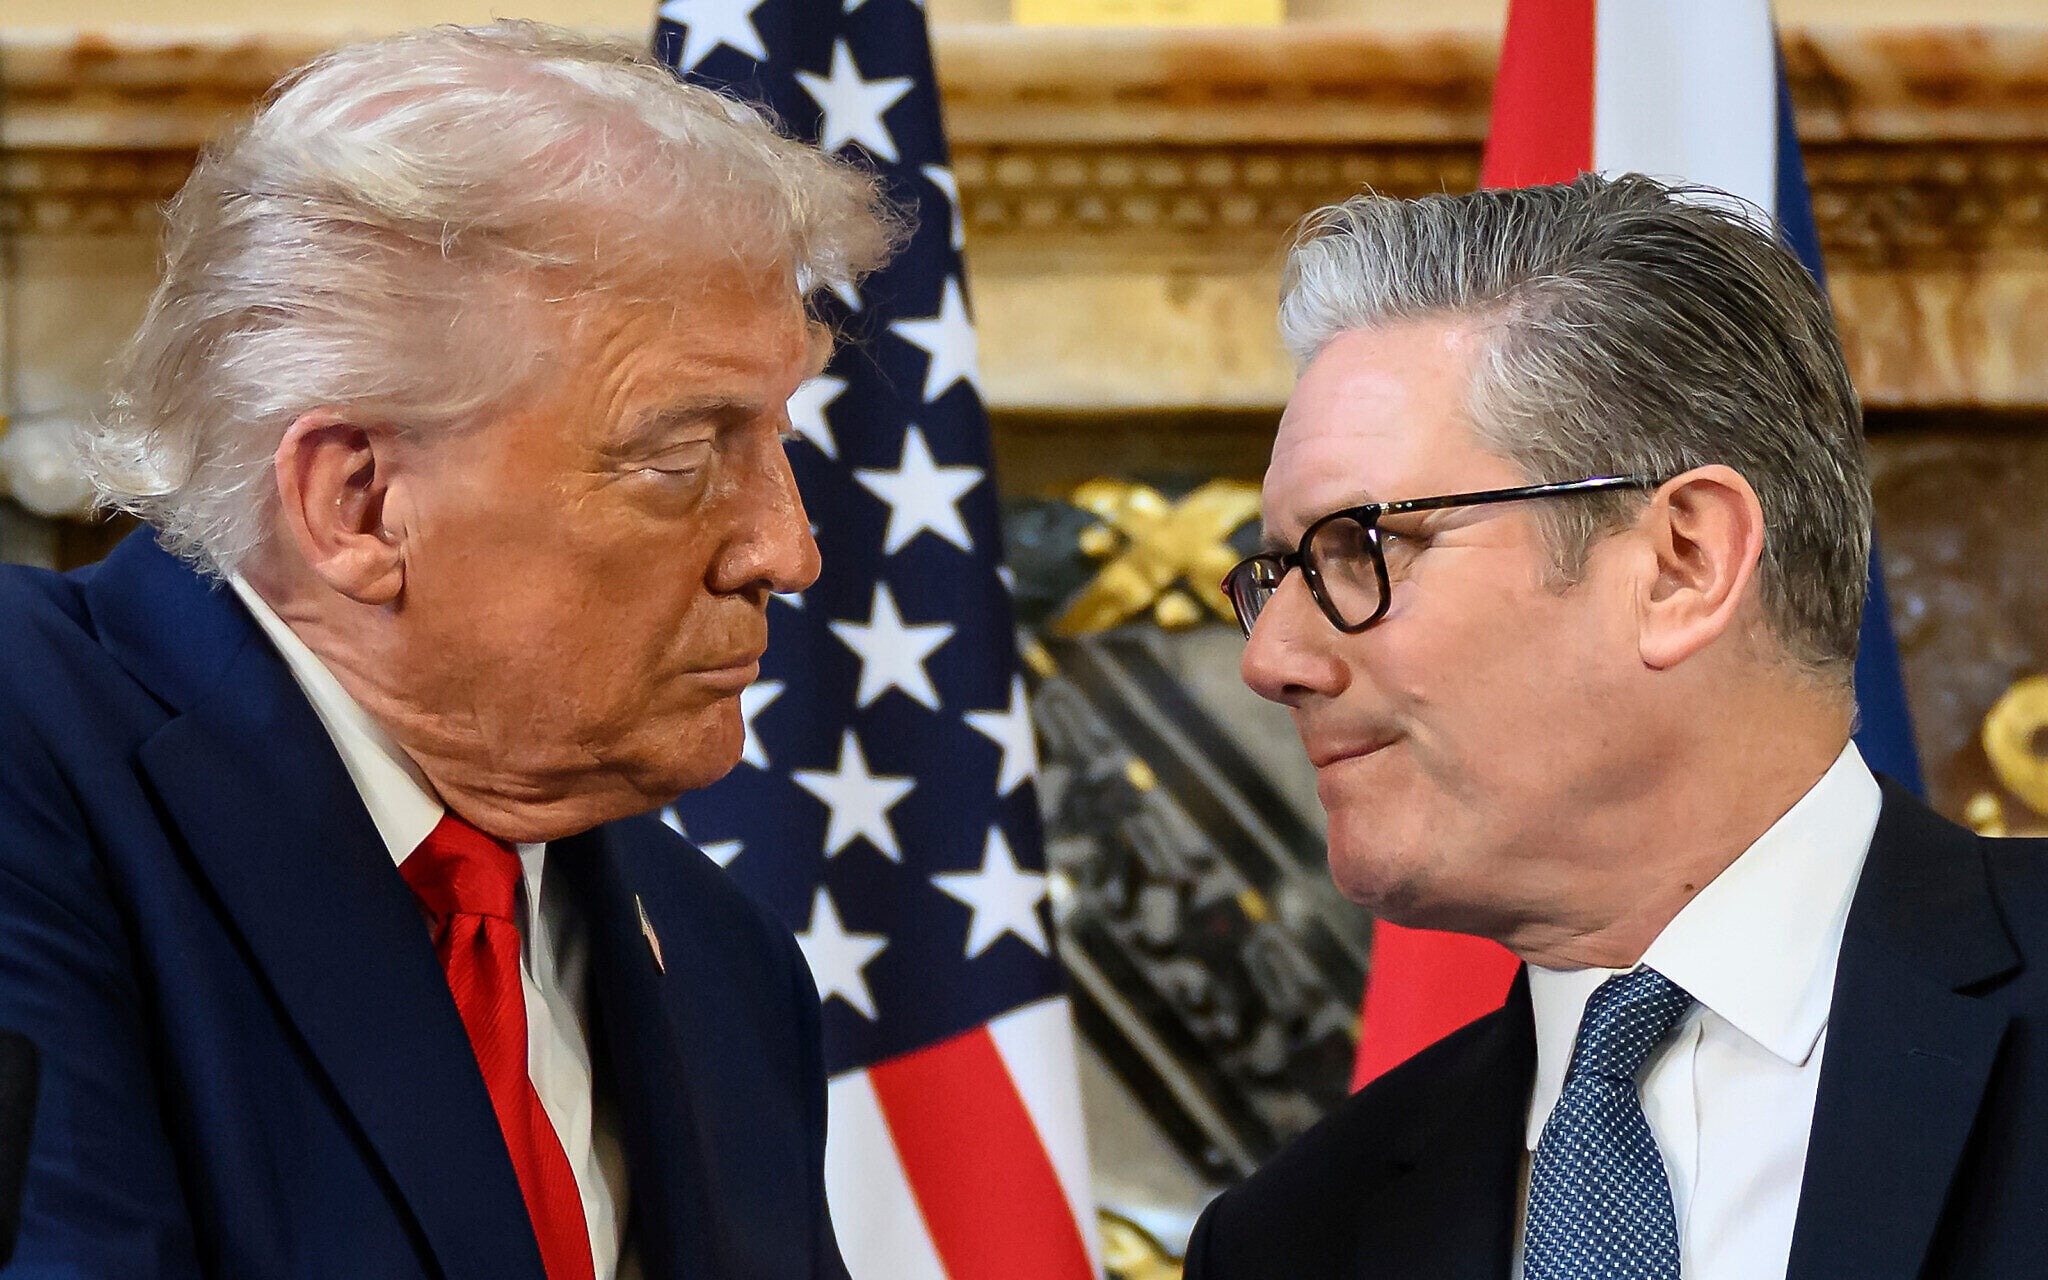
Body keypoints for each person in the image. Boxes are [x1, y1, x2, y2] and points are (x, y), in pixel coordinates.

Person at [0, 22, 899, 1278]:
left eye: (776, 444)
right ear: (359, 504)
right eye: (684, 456)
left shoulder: (723, 965)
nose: (785, 549)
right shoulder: (31, 751)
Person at [1185, 173, 2048, 1279]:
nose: (1269, 660)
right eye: (1276, 573)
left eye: (1363, 547)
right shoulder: (1288, 1244)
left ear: (1682, 563)